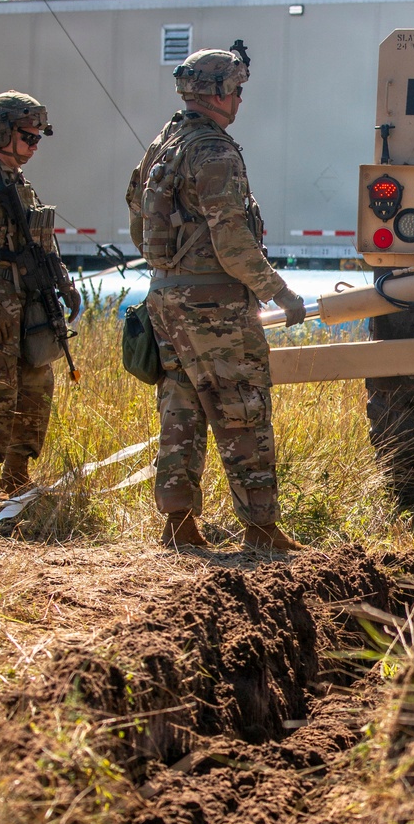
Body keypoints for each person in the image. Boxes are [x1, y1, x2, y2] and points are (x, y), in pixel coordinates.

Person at [125, 44, 307, 551]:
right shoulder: (215, 151)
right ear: (220, 92)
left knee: (180, 407)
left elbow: (136, 214)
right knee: (242, 408)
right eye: (238, 90)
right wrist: (280, 292)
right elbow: (231, 238)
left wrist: (171, 271)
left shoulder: (164, 143)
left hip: (165, 296)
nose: (241, 100)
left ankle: (179, 524)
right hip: (214, 306)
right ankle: (262, 530)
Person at [0, 92, 81, 500]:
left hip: (30, 302)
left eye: (39, 137)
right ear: (2, 130)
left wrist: (64, 283)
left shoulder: (19, 183)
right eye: (29, 137)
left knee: (37, 382)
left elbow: (42, 242)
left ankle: (17, 472)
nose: (35, 145)